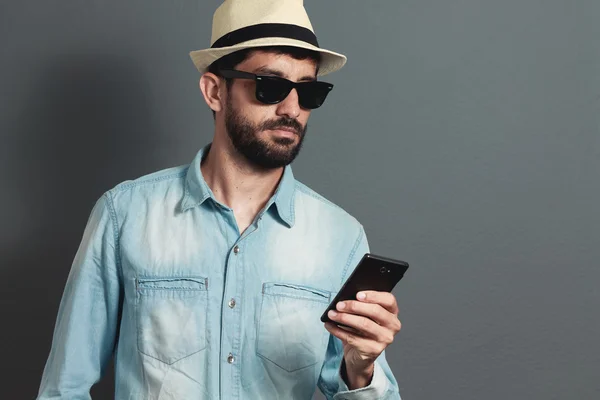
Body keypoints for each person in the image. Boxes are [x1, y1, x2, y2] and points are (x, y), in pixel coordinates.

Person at [37, 0, 403, 399]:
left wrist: (361, 367)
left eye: (309, 91)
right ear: (214, 91)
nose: (292, 108)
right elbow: (63, 388)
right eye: (271, 86)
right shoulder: (125, 214)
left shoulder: (340, 237)